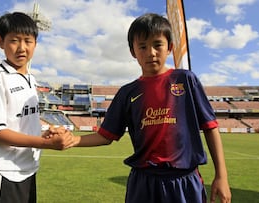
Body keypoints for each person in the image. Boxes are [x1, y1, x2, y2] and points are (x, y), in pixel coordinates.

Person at [72, 13, 232, 203]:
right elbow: (105, 136)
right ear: (133, 52)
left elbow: (210, 127)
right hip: (143, 183)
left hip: (184, 181)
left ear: (170, 48)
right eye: (142, 46)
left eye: (157, 45)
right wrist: (72, 140)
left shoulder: (186, 80)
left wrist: (221, 176)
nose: (151, 52)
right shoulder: (127, 93)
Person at [0, 12, 74, 203]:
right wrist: (45, 144)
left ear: (35, 44)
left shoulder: (31, 79)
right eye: (14, 40)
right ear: (0, 41)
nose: (22, 48)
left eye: (28, 41)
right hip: (1, 171)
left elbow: (23, 121)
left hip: (27, 169)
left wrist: (45, 134)